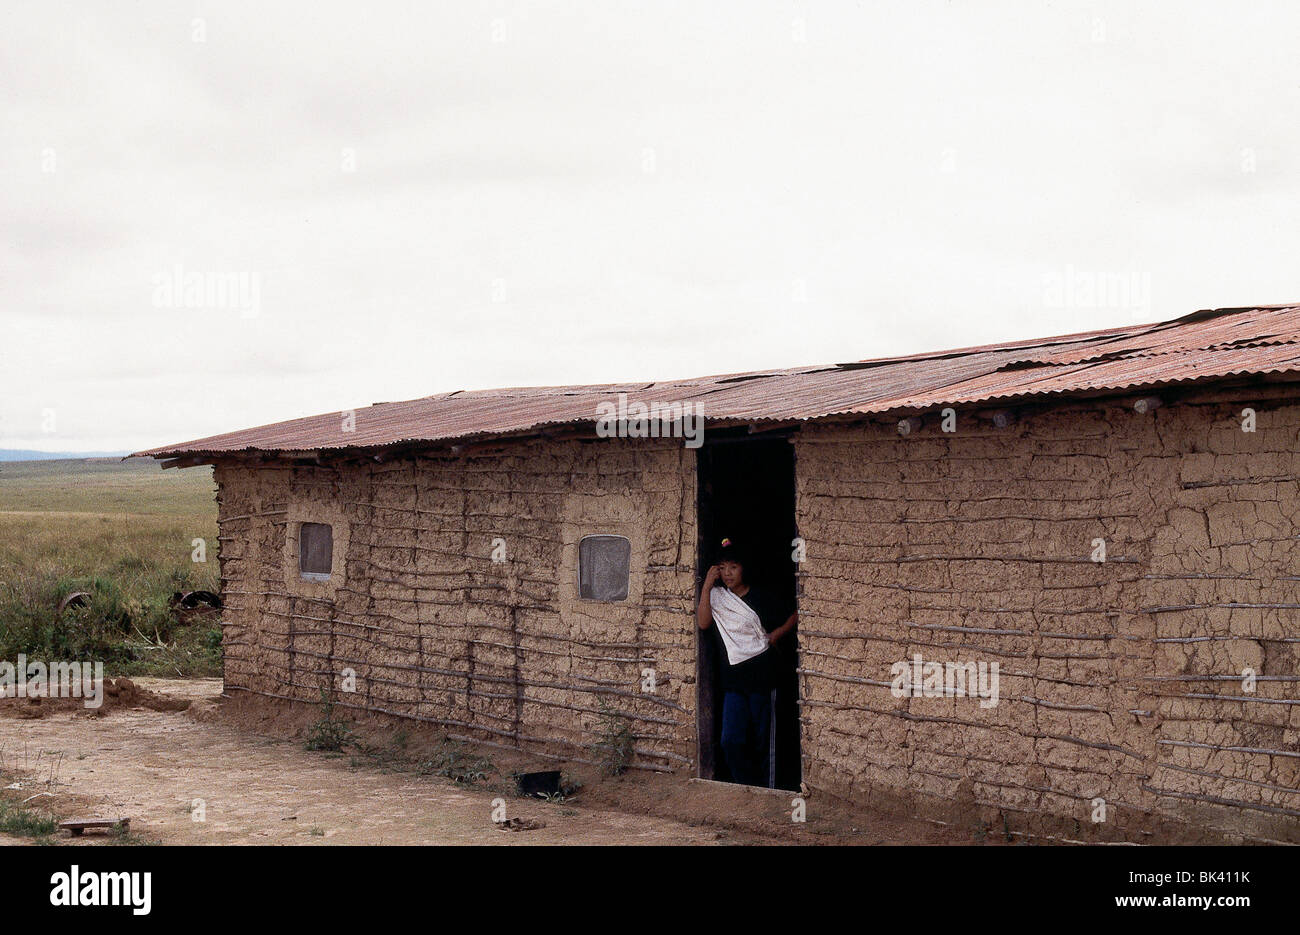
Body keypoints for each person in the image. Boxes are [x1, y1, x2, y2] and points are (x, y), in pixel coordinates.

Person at [695, 538, 797, 786]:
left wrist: (776, 634)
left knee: (765, 741)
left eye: (733, 567)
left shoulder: (761, 597)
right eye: (723, 567)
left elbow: (795, 614)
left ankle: (770, 790)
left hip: (764, 677)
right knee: (730, 740)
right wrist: (707, 586)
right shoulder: (717, 598)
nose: (728, 573)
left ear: (744, 569)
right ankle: (746, 787)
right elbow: (703, 623)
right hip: (734, 684)